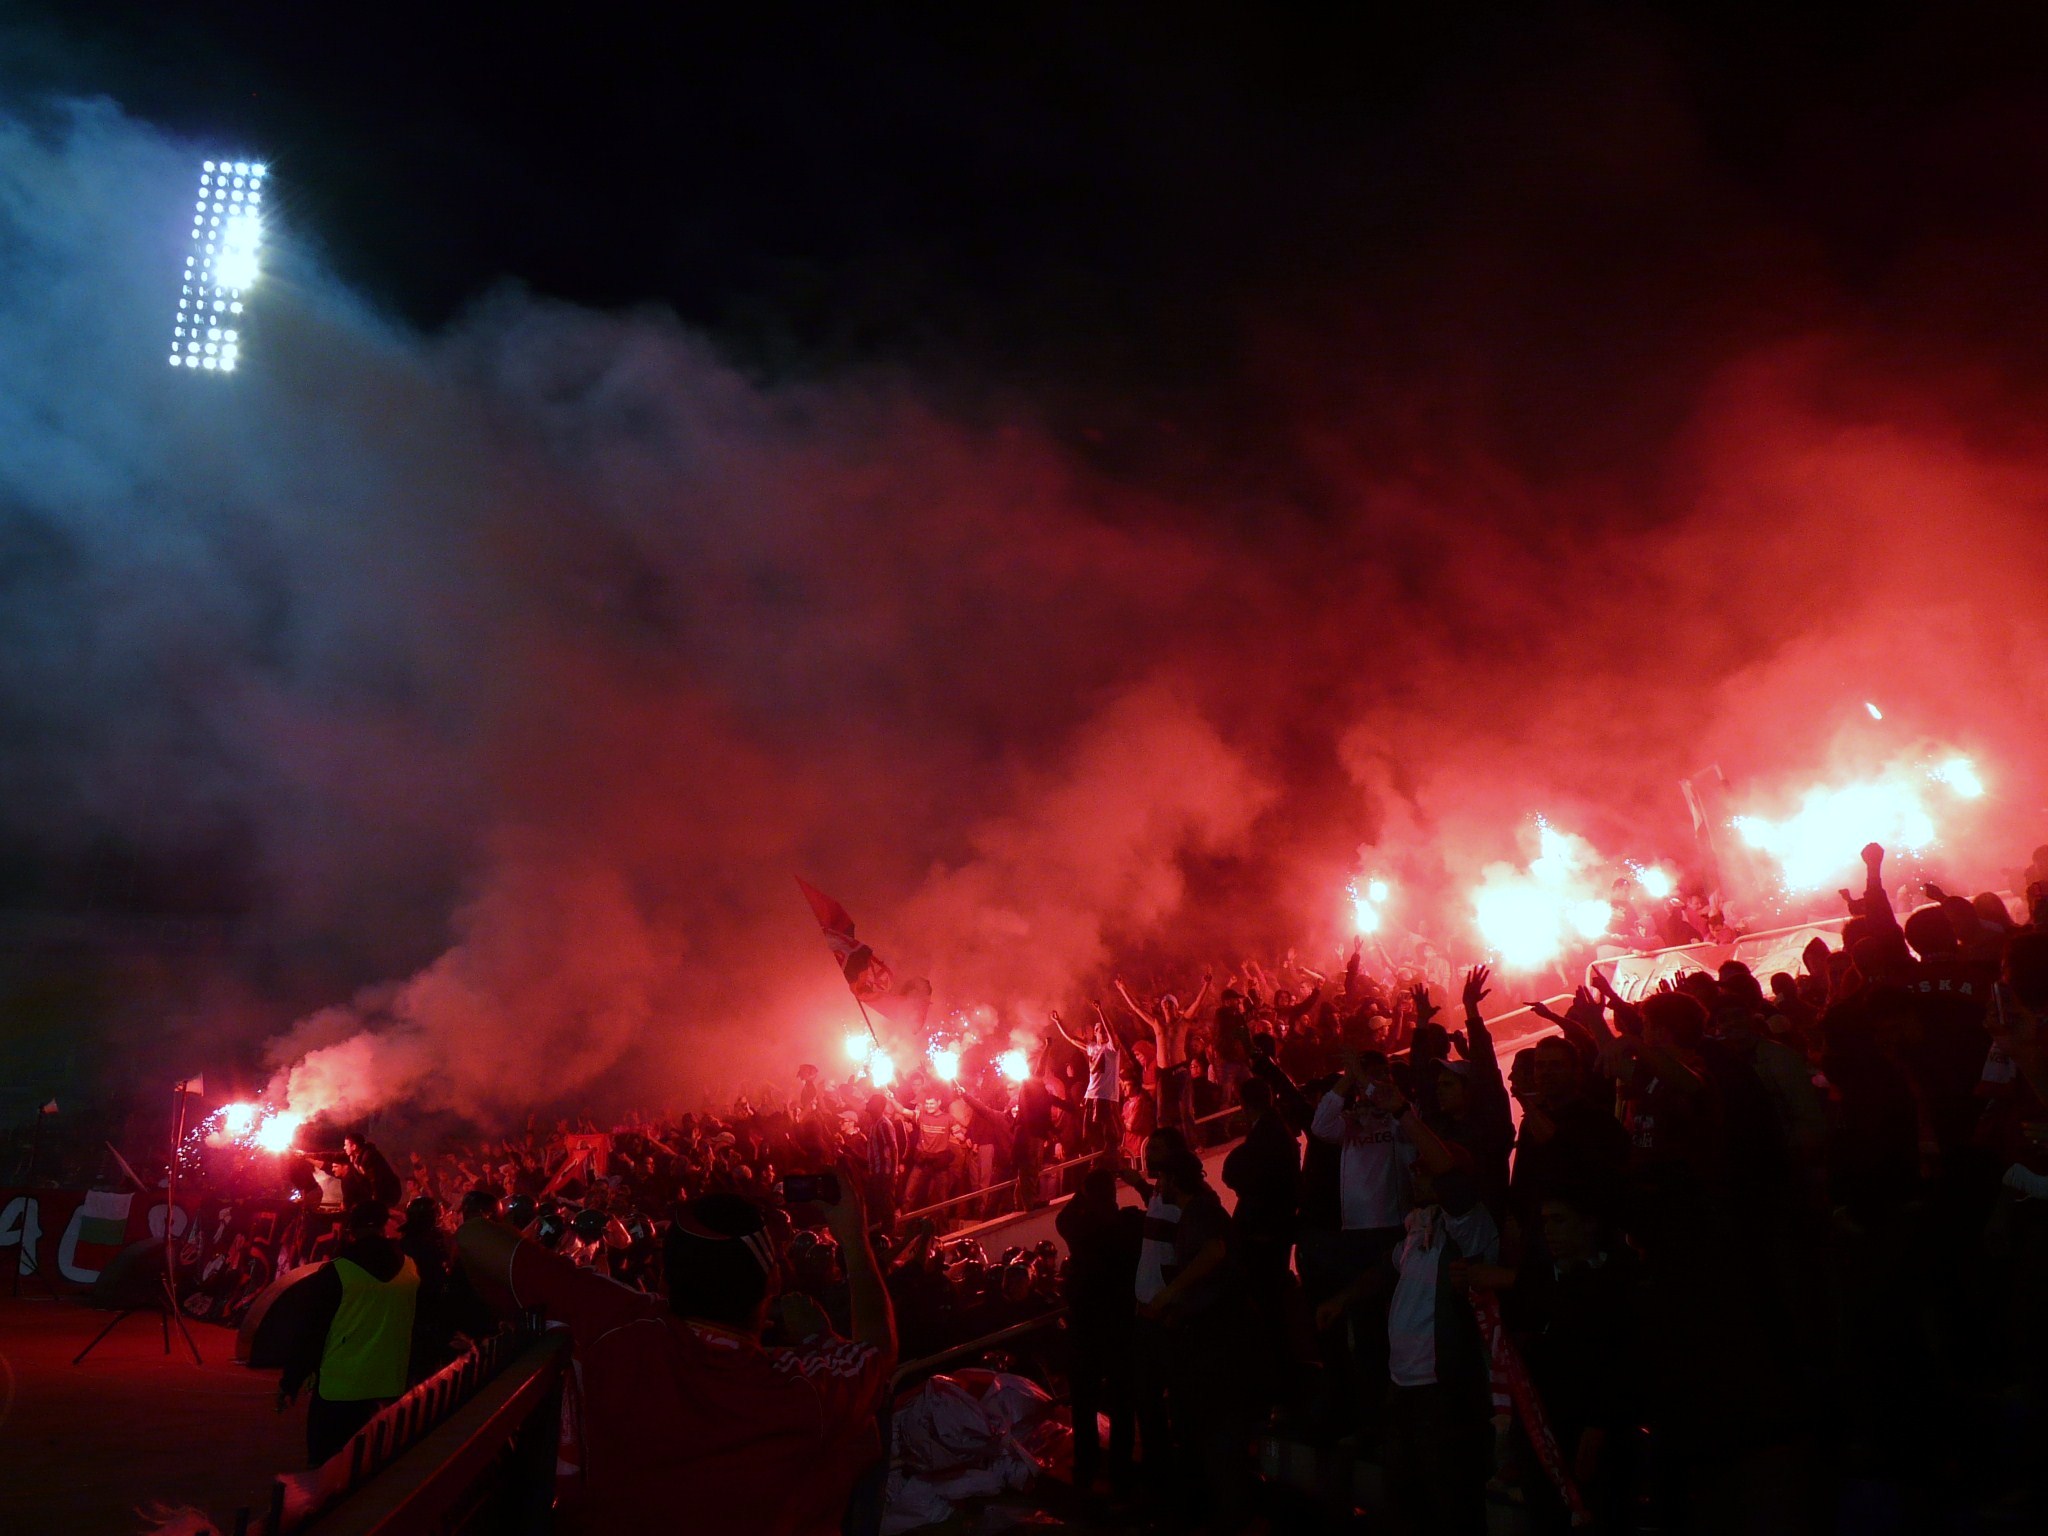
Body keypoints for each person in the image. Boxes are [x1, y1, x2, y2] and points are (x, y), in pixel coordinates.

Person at [455, 1169, 896, 1536]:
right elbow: (878, 1351)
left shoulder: (621, 1322)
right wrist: (851, 1245)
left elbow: (475, 1236)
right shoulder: (805, 1387)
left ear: (665, 1283)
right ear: (773, 1285)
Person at [276, 1200, 421, 1465]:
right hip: (390, 1382)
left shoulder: (338, 1272)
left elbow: (311, 1331)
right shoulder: (410, 1269)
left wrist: (291, 1381)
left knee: (327, 1464)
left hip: (340, 1387)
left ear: (351, 1229)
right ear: (383, 1226)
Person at [1055, 1167, 1143, 1495]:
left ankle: (1086, 1468)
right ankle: (1121, 1470)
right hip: (1121, 1325)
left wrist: (1083, 1190)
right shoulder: (1130, 1226)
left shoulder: (1080, 1228)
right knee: (1122, 1403)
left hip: (1086, 1327)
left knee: (1084, 1403)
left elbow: (1063, 1217)